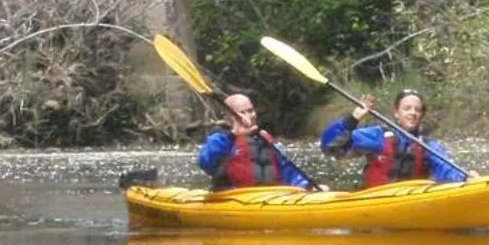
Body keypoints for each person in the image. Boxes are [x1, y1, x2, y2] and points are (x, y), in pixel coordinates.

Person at [319, 89, 468, 186]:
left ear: (421, 115)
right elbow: (330, 147)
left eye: (417, 110)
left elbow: (446, 169)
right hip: (375, 202)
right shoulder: (378, 136)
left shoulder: (427, 145)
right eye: (407, 108)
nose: (413, 113)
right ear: (396, 113)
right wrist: (353, 119)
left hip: (411, 202)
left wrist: (465, 178)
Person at [196, 93, 312, 189]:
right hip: (233, 198)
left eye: (251, 111)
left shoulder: (264, 137)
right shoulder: (221, 139)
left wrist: (306, 185)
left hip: (269, 197)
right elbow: (205, 163)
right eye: (242, 113)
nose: (249, 116)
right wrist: (233, 135)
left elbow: (287, 170)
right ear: (227, 118)